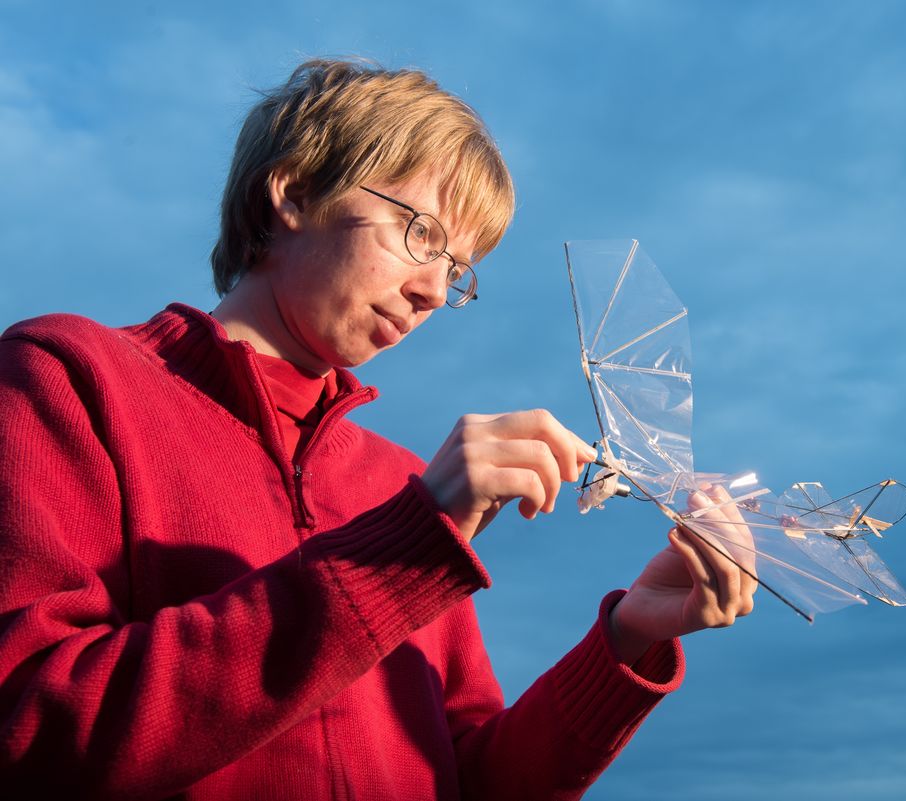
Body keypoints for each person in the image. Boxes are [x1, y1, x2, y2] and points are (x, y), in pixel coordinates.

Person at [0, 59, 755, 800]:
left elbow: (470, 778)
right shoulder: (71, 378)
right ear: (293, 192)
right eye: (420, 232)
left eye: (458, 269)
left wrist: (630, 636)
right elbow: (27, 729)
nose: (433, 289)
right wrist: (403, 550)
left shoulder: (399, 486)